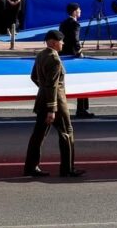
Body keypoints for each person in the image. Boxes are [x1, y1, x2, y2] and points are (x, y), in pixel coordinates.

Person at [24, 30, 83, 178]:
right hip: (56, 103)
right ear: (54, 42)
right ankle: (67, 168)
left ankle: (30, 166)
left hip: (41, 101)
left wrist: (43, 90)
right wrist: (52, 109)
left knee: (38, 135)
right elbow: (52, 85)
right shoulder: (54, 60)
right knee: (67, 132)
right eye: (61, 41)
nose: (63, 43)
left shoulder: (41, 55)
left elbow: (34, 77)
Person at [59, 3, 93, 118]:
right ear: (74, 12)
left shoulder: (63, 23)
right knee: (82, 81)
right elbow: (75, 39)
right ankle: (82, 109)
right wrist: (79, 51)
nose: (80, 11)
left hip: (63, 56)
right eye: (79, 10)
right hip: (73, 56)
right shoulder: (75, 24)